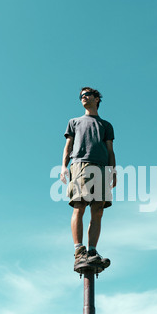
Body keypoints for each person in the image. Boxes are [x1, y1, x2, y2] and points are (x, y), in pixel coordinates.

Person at [60, 87, 117, 272]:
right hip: (80, 164)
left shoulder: (106, 125)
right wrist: (63, 167)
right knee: (80, 206)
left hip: (101, 167)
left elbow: (110, 150)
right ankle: (79, 250)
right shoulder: (74, 122)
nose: (83, 97)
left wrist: (113, 171)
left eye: (87, 95)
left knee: (98, 210)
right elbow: (67, 147)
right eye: (81, 96)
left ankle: (92, 251)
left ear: (96, 98)